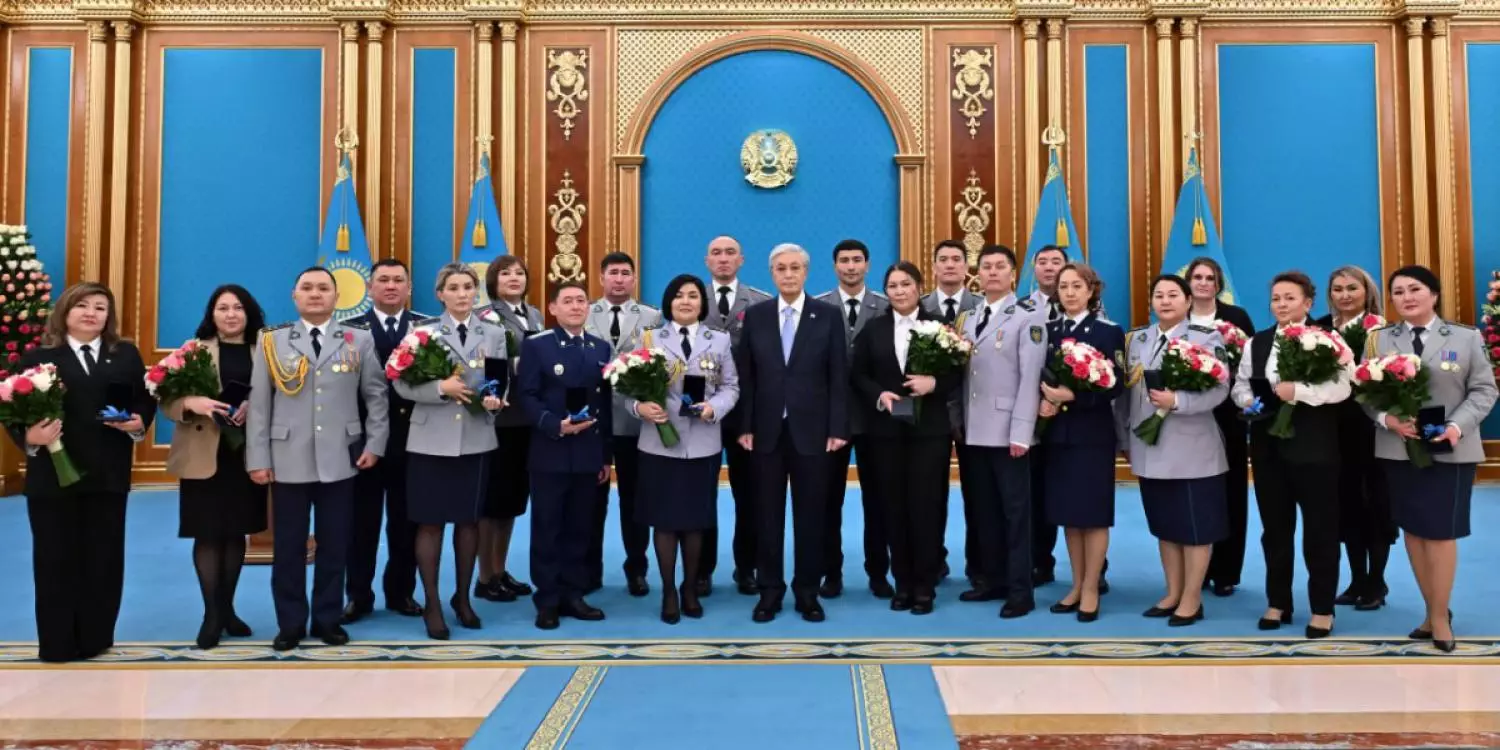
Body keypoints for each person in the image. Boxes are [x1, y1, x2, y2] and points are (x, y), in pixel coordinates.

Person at [247, 267, 389, 650]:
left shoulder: (357, 339)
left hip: (341, 459)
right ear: (295, 296)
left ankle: (327, 619)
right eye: (307, 288)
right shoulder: (272, 342)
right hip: (286, 457)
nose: (315, 294)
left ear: (336, 296)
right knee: (289, 547)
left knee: (335, 544)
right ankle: (290, 623)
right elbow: (259, 405)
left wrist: (375, 444)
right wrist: (258, 457)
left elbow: (376, 396)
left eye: (323, 288)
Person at [8, 282, 150, 663]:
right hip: (53, 477)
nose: (91, 313)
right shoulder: (38, 357)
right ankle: (56, 643)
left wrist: (137, 423)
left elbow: (142, 401)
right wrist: (30, 437)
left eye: (100, 307)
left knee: (103, 559)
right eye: (82, 305)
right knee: (55, 560)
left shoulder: (125, 355)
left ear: (109, 315)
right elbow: (14, 411)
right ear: (65, 312)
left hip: (107, 475)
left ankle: (95, 638)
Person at [1365, 265, 1496, 652]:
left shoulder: (1465, 337)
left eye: (1415, 289)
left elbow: (1484, 390)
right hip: (1398, 448)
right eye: (1398, 291)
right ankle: (1430, 609)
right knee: (1415, 531)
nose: (1407, 297)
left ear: (1434, 294)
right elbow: (1365, 393)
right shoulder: (1379, 340)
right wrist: (1388, 419)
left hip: (1450, 448)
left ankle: (1440, 617)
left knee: (1439, 532)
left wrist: (1456, 427)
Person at [392, 264, 508, 640]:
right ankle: (432, 602)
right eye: (453, 287)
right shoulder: (420, 333)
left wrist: (496, 400)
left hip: (475, 438)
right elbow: (403, 387)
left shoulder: (493, 333)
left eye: (468, 287)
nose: (462, 294)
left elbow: (500, 380)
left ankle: (462, 598)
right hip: (430, 441)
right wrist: (440, 388)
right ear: (439, 293)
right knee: (429, 524)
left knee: (469, 521)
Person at [1231, 272, 1350, 639]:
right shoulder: (1258, 342)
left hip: (1315, 448)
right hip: (1269, 448)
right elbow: (1240, 385)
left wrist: (1296, 391)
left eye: (1289, 298)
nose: (1281, 304)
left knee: (1320, 530)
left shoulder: (1329, 339)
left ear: (1308, 303)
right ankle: (1278, 601)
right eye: (1276, 298)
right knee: (1276, 530)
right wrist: (1250, 401)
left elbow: (1342, 386)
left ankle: (1322, 607)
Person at [736, 242, 849, 623]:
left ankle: (807, 592)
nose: (788, 274)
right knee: (766, 515)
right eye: (781, 268)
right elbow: (747, 377)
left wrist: (837, 428)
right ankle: (769, 591)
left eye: (795, 268)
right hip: (765, 432)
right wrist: (745, 425)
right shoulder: (756, 316)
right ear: (771, 273)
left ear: (806, 272)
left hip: (815, 433)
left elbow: (838, 377)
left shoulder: (829, 316)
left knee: (811, 515)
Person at [161, 285, 270, 649]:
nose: (231, 314)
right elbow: (166, 398)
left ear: (249, 313)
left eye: (238, 307)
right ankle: (211, 614)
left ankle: (227, 608)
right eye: (222, 308)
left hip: (246, 457)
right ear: (212, 314)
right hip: (203, 454)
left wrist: (258, 408)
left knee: (236, 532)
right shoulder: (192, 351)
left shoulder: (267, 350)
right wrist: (193, 402)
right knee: (208, 533)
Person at [628, 274, 740, 623]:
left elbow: (731, 386)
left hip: (703, 443)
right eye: (679, 296)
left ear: (702, 304)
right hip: (659, 443)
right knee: (664, 522)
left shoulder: (719, 340)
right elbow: (623, 385)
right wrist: (638, 408)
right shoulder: (649, 338)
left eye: (693, 295)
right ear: (668, 303)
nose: (686, 301)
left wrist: (714, 408)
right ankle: (668, 591)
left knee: (694, 522)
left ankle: (690, 587)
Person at [1118, 274, 1229, 627]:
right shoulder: (1137, 339)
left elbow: (1218, 390)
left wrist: (1177, 400)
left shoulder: (1205, 338)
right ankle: (1173, 591)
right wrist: (1126, 440)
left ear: (1187, 301)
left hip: (1192, 450)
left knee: (1194, 528)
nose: (1165, 301)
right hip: (1149, 448)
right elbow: (1127, 396)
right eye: (1158, 295)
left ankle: (1192, 598)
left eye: (1172, 295)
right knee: (1165, 526)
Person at [850, 261, 957, 614]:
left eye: (906, 284)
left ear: (918, 287)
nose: (899, 291)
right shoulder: (873, 328)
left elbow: (959, 374)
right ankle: (903, 582)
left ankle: (925, 585)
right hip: (886, 433)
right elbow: (858, 373)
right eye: (892, 285)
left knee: (926, 507)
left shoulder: (940, 327)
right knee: (892, 508)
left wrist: (934, 384)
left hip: (930, 433)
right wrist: (879, 395)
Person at [518, 280, 615, 630]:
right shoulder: (538, 346)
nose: (576, 306)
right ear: (553, 308)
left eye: (581, 301)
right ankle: (547, 599)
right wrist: (552, 424)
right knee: (547, 526)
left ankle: (574, 593)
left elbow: (604, 404)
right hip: (550, 450)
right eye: (568, 301)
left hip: (588, 453)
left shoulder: (601, 347)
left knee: (580, 527)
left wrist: (606, 456)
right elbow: (526, 395)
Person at [959, 245, 1047, 619]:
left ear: (1013, 274)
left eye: (1000, 267)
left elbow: (1031, 378)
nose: (992, 273)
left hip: (1009, 431)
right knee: (985, 512)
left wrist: (1022, 432)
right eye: (986, 267)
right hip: (973, 430)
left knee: (1016, 514)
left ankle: (1020, 590)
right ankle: (992, 579)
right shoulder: (968, 317)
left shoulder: (1029, 316)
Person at [1037, 264, 1123, 622]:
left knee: (1093, 514)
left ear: (1092, 291)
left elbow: (1117, 384)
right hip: (1058, 434)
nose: (1069, 293)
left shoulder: (1108, 331)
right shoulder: (1048, 330)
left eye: (1077, 286)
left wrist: (1073, 396)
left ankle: (1091, 587)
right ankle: (1075, 583)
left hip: (1092, 433)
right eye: (1063, 286)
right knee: (1069, 515)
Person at [344, 259, 424, 624]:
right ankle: (358, 596)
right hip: (362, 442)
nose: (391, 286)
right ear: (370, 287)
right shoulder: (347, 331)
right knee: (361, 524)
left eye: (398, 280)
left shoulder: (428, 329)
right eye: (383, 280)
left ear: (408, 287)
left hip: (415, 440)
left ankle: (401, 592)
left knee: (407, 523)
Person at [814, 239, 891, 599]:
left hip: (877, 417)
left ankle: (878, 572)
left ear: (868, 264)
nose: (850, 266)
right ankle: (831, 571)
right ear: (834, 266)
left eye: (857, 260)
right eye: (843, 260)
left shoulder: (887, 306)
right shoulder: (816, 307)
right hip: (830, 418)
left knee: (878, 499)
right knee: (828, 500)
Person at [1315, 265, 1395, 611]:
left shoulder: (1383, 332)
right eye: (1337, 289)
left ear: (1367, 291)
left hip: (1372, 431)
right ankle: (1356, 579)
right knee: (1343, 506)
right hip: (1331, 432)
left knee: (1374, 507)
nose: (1345, 295)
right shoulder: (1317, 329)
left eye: (1352, 288)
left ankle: (1376, 580)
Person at [585, 252, 661, 596]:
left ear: (634, 279)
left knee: (636, 500)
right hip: (593, 422)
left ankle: (637, 568)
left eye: (625, 273)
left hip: (635, 423)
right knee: (591, 501)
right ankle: (589, 569)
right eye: (612, 273)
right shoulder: (584, 312)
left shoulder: (652, 317)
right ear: (601, 277)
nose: (619, 279)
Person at [702, 235, 772, 596]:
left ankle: (748, 567)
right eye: (717, 253)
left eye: (730, 253)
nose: (724, 259)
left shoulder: (761, 302)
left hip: (748, 414)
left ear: (742, 260)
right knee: (701, 494)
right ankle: (702, 570)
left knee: (751, 495)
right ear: (706, 261)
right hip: (700, 414)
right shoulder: (691, 299)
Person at [1185, 257, 1255, 598]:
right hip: (1185, 416)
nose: (1202, 283)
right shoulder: (1177, 316)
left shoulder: (1237, 318)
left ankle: (1226, 569)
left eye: (1208, 277)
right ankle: (1191, 567)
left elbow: (1252, 365)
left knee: (1229, 490)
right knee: (1193, 492)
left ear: (1218, 283)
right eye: (1196, 277)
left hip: (1227, 415)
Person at [475, 256, 542, 604]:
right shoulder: (486, 316)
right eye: (505, 273)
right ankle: (485, 576)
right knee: (492, 502)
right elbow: (487, 363)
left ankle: (500, 570)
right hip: (498, 419)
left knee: (513, 501)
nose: (514, 278)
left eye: (519, 272)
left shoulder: (535, 315)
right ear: (492, 281)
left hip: (525, 421)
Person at [921, 239, 982, 584]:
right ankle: (933, 560)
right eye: (942, 259)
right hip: (929, 416)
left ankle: (979, 564)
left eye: (956, 259)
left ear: (965, 267)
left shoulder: (983, 307)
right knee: (930, 494)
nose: (949, 265)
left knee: (978, 494)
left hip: (975, 415)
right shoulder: (919, 306)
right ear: (933, 267)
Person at [1025, 244, 1070, 589]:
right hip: (1030, 417)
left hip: (1072, 415)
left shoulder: (1088, 311)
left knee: (1074, 489)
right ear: (1033, 269)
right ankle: (1040, 561)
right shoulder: (1020, 309)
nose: (1050, 268)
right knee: (1034, 491)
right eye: (1043, 262)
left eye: (1057, 262)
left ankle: (1093, 569)